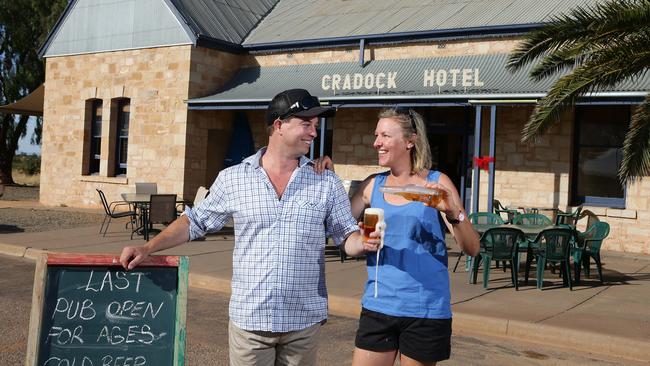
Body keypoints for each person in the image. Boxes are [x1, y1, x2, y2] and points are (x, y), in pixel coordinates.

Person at [119, 89, 379, 366]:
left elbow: (345, 236)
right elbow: (194, 222)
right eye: (306, 124)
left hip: (303, 321)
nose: (314, 133)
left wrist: (363, 242)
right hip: (251, 320)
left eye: (315, 126)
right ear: (279, 125)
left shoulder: (325, 182)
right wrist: (148, 247)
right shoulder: (233, 179)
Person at [339, 107, 479, 366]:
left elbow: (472, 248)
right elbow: (341, 231)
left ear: (410, 141)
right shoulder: (372, 186)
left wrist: (452, 212)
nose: (376, 142)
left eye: (385, 136)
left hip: (425, 310)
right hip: (378, 307)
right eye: (376, 135)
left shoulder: (436, 184)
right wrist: (321, 172)